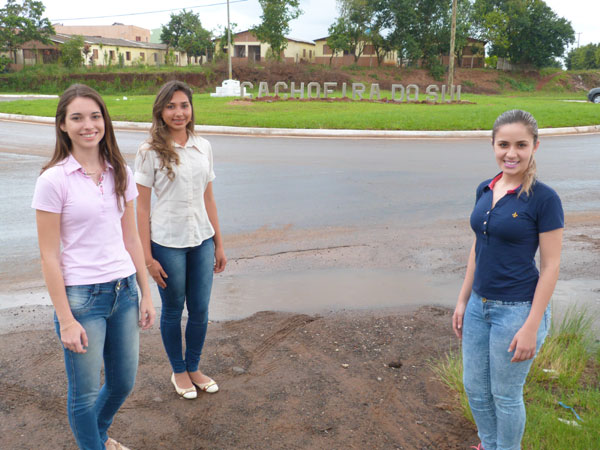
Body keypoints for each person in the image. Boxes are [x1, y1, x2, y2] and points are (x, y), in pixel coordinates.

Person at [32, 84, 156, 450]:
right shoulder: (53, 180)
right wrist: (66, 319)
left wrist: (146, 294)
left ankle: (96, 438)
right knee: (84, 394)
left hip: (124, 291)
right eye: (77, 118)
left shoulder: (121, 171)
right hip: (82, 299)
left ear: (105, 121)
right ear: (62, 125)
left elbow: (131, 238)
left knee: (122, 383)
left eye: (95, 115)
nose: (89, 125)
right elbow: (48, 256)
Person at [452, 110, 563, 450]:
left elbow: (551, 265)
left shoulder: (544, 199)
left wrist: (531, 326)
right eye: (503, 144)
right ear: (493, 145)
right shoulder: (485, 188)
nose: (511, 153)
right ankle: (488, 444)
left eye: (520, 145)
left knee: (506, 395)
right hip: (477, 307)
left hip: (516, 311)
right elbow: (478, 247)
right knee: (475, 388)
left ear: (535, 147)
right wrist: (462, 299)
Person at [134, 80, 226, 400]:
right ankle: (178, 371)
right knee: (173, 310)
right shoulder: (149, 151)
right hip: (167, 243)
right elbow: (142, 206)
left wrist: (219, 243)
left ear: (191, 109)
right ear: (160, 110)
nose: (178, 112)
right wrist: (147, 259)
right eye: (171, 106)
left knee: (200, 309)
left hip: (201, 240)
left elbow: (209, 199)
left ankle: (194, 367)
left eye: (184, 105)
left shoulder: (204, 147)